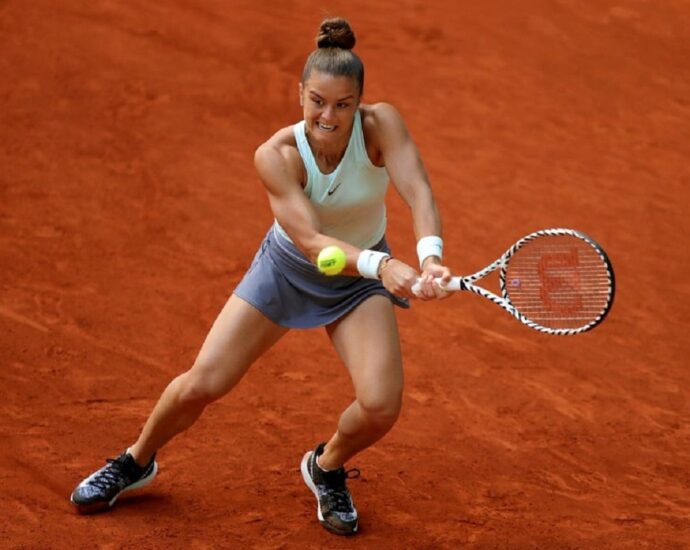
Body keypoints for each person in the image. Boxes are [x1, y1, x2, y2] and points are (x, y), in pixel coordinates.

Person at [70, 16, 452, 536]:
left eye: (343, 105)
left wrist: (430, 257)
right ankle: (135, 460)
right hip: (288, 272)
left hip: (356, 284)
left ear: (360, 101)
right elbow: (314, 245)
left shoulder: (381, 125)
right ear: (300, 94)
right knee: (201, 385)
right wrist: (383, 265)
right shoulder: (277, 156)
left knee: (381, 406)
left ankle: (326, 466)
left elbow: (419, 191)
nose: (328, 116)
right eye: (317, 101)